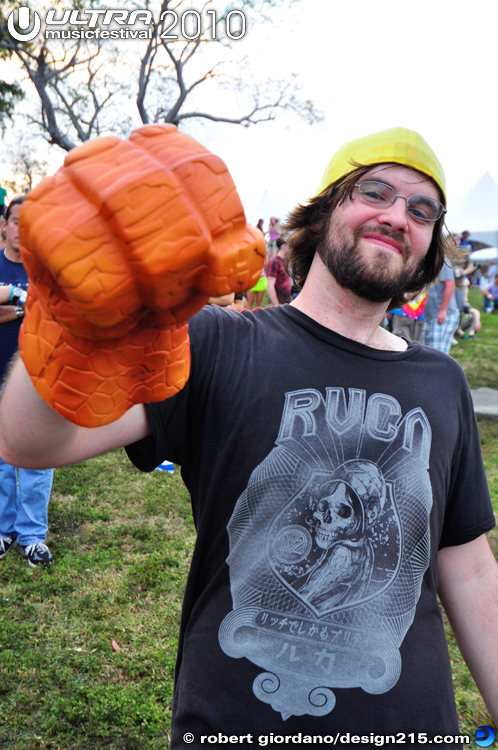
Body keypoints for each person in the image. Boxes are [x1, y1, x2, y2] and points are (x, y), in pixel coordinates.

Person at [0, 128, 497, 745]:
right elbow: (29, 441)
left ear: (428, 249)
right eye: (376, 191)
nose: (398, 216)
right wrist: (66, 311)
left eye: (422, 211)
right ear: (320, 216)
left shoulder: (441, 381)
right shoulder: (219, 342)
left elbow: (469, 569)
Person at [0, 196, 54, 567]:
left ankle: (32, 535)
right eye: (16, 221)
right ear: (4, 224)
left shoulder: (44, 268)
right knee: (1, 457)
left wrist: (10, 307)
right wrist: (23, 299)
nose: (22, 230)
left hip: (37, 377)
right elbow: (33, 305)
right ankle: (3, 530)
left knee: (37, 456)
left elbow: (53, 310)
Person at [423, 257, 460, 354]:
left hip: (443, 315)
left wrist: (443, 311)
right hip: (429, 315)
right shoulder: (427, 260)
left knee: (437, 354)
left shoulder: (442, 261)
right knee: (427, 353)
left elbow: (450, 285)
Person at [266, 236, 292, 306]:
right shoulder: (274, 262)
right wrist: (276, 305)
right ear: (283, 246)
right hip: (279, 303)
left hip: (286, 302)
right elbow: (270, 286)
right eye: (289, 246)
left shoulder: (284, 261)